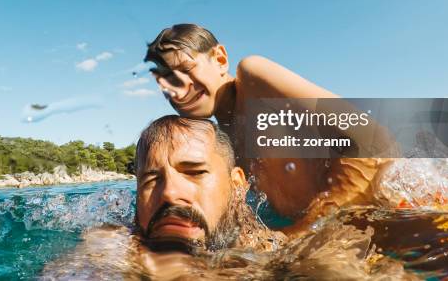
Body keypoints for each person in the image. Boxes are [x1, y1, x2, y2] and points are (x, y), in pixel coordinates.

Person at [144, 23, 395, 234]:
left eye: (186, 70)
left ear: (220, 59)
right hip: (339, 231)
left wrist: (307, 230)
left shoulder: (253, 78)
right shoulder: (220, 144)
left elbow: (372, 137)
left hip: (389, 213)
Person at [134, 114, 286, 252]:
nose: (169, 193)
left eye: (195, 172)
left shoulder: (281, 252)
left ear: (237, 185)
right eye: (151, 180)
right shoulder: (115, 247)